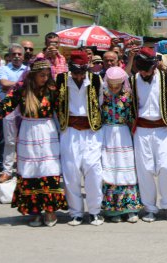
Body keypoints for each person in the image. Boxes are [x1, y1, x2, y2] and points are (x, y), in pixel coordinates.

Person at [0, 58, 68, 227]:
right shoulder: (21, 89)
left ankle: (50, 210)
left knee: (50, 170)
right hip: (28, 132)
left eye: (46, 75)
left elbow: (65, 109)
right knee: (31, 172)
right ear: (33, 75)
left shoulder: (53, 89)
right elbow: (5, 105)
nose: (44, 78)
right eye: (41, 75)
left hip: (47, 131)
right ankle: (34, 211)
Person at [130, 47, 167, 223]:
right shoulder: (133, 80)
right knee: (145, 170)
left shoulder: (165, 79)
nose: (143, 72)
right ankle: (150, 207)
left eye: (146, 69)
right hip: (141, 131)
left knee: (165, 167)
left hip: (162, 130)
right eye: (140, 68)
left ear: (154, 66)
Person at [55, 51, 105, 226]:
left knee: (94, 172)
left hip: (91, 132)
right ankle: (75, 212)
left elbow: (100, 104)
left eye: (81, 72)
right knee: (71, 173)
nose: (78, 76)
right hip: (69, 131)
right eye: (75, 72)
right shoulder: (61, 79)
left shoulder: (96, 80)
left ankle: (94, 212)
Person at [99, 66, 142, 223]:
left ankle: (130, 207)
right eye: (111, 84)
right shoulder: (102, 95)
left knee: (126, 168)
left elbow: (132, 117)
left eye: (117, 84)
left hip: (124, 134)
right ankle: (112, 210)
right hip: (107, 134)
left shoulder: (128, 96)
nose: (113, 87)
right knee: (109, 169)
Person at [0, 44, 28, 184]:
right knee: (9, 141)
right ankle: (7, 171)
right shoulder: (3, 68)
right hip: (9, 106)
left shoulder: (28, 69)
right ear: (9, 56)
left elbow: (31, 84)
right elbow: (3, 83)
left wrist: (14, 84)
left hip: (25, 107)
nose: (16, 56)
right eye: (13, 54)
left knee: (24, 140)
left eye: (19, 54)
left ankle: (23, 171)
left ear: (23, 56)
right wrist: (22, 84)